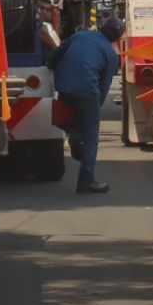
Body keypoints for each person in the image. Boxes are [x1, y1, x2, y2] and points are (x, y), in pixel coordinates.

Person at [46, 17, 124, 193]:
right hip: (87, 92)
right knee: (90, 137)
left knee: (68, 118)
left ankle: (72, 132)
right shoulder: (111, 55)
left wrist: (50, 65)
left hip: (64, 87)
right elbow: (103, 87)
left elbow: (59, 52)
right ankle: (86, 180)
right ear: (116, 39)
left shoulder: (79, 36)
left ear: (102, 27)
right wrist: (96, 107)